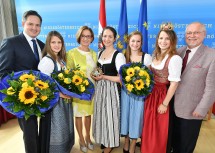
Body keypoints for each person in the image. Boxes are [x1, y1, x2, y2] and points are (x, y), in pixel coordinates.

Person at [0, 10, 48, 153]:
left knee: (41, 130)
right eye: (30, 24)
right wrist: (16, 93)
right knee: (30, 132)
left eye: (37, 25)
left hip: (42, 97)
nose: (34, 28)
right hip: (23, 99)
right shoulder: (11, 42)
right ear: (23, 23)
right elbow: (3, 72)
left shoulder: (42, 44)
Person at [172, 22, 215, 153]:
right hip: (173, 108)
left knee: (186, 147)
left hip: (192, 110)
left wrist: (202, 109)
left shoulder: (212, 55)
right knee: (174, 143)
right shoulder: (178, 52)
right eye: (189, 33)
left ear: (204, 35)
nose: (192, 36)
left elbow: (211, 87)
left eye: (196, 32)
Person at [141, 23, 182, 153]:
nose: (163, 41)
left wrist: (164, 104)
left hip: (161, 96)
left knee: (159, 129)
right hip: (151, 95)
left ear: (172, 41)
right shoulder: (155, 55)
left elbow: (174, 83)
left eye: (167, 39)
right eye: (161, 38)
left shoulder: (174, 58)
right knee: (149, 126)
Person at [38, 31, 74, 153]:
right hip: (54, 103)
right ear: (48, 43)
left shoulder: (60, 59)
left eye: (59, 42)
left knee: (64, 129)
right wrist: (60, 94)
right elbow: (43, 87)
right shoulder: (47, 61)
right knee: (56, 131)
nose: (57, 45)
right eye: (53, 42)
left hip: (63, 101)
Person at [91, 26, 126, 153]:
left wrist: (103, 76)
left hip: (111, 91)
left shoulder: (118, 55)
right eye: (105, 36)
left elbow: (122, 79)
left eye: (110, 36)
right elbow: (98, 72)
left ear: (115, 38)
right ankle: (104, 139)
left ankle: (110, 143)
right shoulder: (99, 53)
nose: (107, 39)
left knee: (111, 117)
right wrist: (94, 75)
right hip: (100, 89)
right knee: (101, 115)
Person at [120, 31, 152, 153]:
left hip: (139, 95)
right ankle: (126, 141)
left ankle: (133, 143)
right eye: (133, 41)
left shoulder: (146, 57)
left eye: (138, 41)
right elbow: (120, 77)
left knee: (136, 118)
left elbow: (149, 78)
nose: (135, 43)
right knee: (126, 117)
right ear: (128, 41)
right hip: (125, 93)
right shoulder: (123, 56)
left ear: (141, 43)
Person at [66, 26, 97, 153]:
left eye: (88, 36)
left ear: (92, 38)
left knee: (88, 115)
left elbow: (95, 72)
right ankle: (81, 140)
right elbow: (68, 73)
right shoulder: (71, 53)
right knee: (78, 115)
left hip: (91, 90)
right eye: (83, 36)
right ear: (79, 37)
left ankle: (88, 137)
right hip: (77, 90)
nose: (86, 38)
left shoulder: (94, 53)